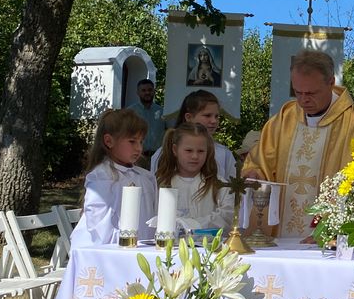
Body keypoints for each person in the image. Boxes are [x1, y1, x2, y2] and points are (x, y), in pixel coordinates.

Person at [243, 50, 354, 237]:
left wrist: (332, 228)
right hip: (280, 234)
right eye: (297, 92)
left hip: (325, 239)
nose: (303, 100)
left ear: (331, 82)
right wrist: (254, 173)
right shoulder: (284, 119)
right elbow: (261, 162)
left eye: (311, 93)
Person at [70, 108, 157, 247]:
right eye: (132, 141)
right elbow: (98, 224)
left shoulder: (146, 177)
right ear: (109, 141)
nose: (139, 148)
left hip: (141, 247)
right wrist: (125, 241)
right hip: (104, 249)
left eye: (141, 142)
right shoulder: (102, 176)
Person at [155, 123, 234, 232]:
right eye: (189, 151)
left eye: (201, 151)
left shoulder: (220, 185)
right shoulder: (162, 184)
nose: (195, 156)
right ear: (175, 150)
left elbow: (227, 217)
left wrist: (192, 224)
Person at [151, 90, 237, 181]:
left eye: (216, 116)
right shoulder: (164, 152)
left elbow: (234, 186)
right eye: (207, 116)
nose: (214, 121)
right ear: (189, 117)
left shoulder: (224, 153)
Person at [130, 78, 164, 167]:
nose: (147, 93)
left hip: (158, 158)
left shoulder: (162, 111)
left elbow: (170, 131)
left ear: (154, 91)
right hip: (138, 157)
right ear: (138, 92)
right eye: (143, 90)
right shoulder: (130, 112)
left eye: (150, 90)